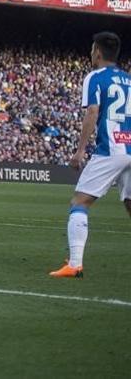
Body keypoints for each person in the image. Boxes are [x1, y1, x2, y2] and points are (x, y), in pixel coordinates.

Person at [50, 32, 129, 278]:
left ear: (97, 52)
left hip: (111, 148)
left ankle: (75, 264)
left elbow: (92, 112)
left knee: (80, 202)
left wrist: (80, 150)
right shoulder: (129, 79)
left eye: (92, 49)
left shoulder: (95, 77)